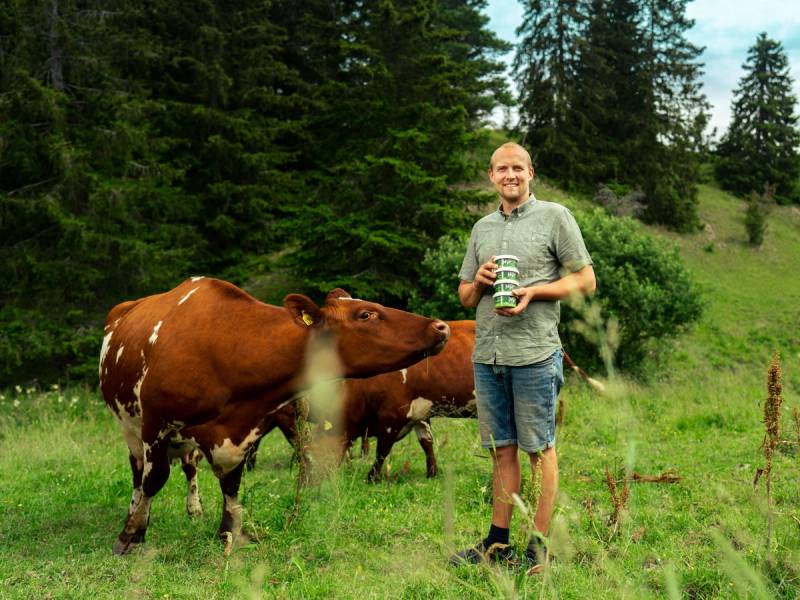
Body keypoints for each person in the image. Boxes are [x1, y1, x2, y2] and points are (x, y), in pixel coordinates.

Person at [450, 142, 596, 574]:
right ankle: (498, 543)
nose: (510, 175)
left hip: (533, 353)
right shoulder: (481, 229)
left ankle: (540, 547)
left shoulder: (555, 217)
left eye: (518, 168)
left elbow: (586, 280)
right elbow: (463, 298)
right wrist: (477, 282)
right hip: (488, 354)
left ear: (531, 172)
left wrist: (535, 292)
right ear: (491, 176)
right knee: (501, 451)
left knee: (540, 449)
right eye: (501, 169)